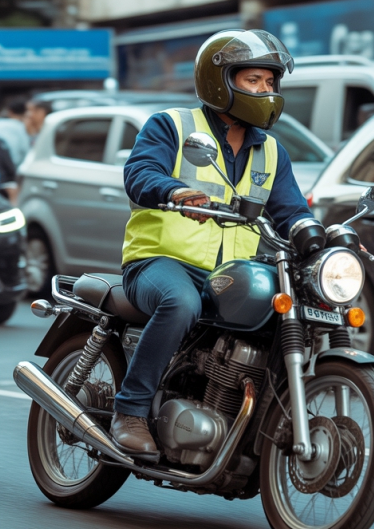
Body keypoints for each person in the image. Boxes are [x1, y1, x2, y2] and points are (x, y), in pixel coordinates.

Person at [112, 29, 314, 457]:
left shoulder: (272, 152)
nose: (265, 90)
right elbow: (140, 173)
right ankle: (129, 410)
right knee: (181, 304)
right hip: (160, 262)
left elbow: (292, 210)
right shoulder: (173, 126)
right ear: (220, 81)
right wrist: (175, 192)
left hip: (230, 274)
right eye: (253, 80)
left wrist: (321, 236)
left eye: (270, 81)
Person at [0, 99, 32, 165]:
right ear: (25, 112)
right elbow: (25, 150)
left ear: (9, 111)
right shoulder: (21, 127)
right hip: (15, 165)